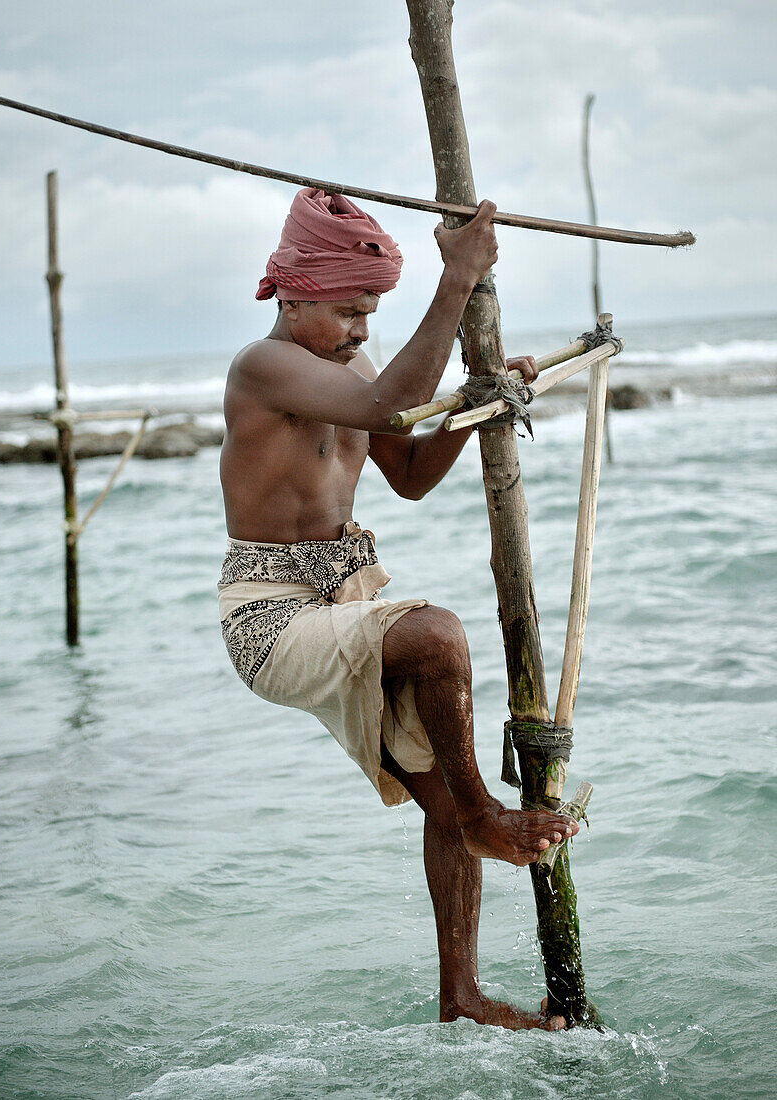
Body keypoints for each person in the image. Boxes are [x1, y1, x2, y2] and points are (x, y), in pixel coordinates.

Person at [218, 188, 578, 1031]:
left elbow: (409, 471)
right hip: (273, 617)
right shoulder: (261, 367)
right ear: (295, 293)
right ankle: (488, 814)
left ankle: (462, 996)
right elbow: (388, 407)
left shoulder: (355, 371)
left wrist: (478, 397)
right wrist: (456, 280)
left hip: (347, 598)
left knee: (443, 798)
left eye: (372, 312)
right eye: (349, 311)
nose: (361, 331)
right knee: (437, 634)